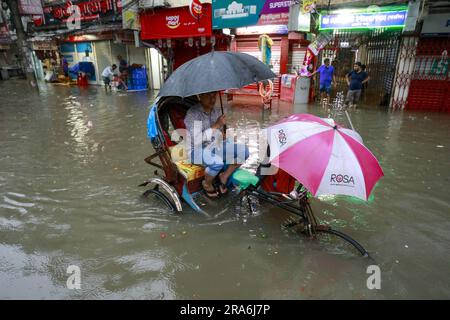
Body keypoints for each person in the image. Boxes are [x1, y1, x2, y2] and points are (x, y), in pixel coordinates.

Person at [184, 92, 249, 198]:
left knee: (243, 151)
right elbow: (196, 140)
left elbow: (218, 135)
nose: (212, 99)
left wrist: (223, 134)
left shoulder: (216, 112)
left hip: (214, 146)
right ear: (200, 96)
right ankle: (207, 183)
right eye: (208, 96)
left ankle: (224, 176)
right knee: (217, 162)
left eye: (214, 95)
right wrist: (216, 126)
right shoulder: (192, 114)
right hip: (196, 150)